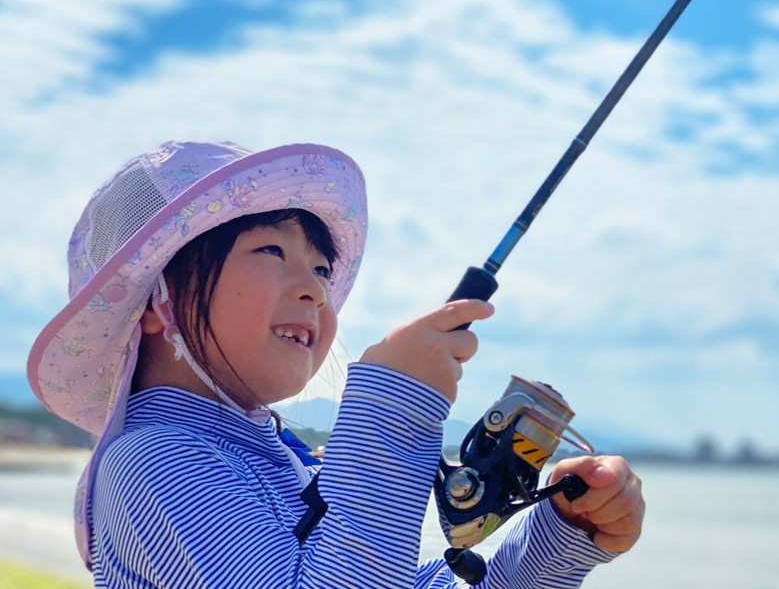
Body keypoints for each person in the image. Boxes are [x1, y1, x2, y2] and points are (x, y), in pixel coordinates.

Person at [27, 141, 644, 587]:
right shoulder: (154, 459)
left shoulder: (265, 455)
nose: (316, 289)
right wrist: (393, 410)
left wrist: (559, 538)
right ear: (155, 304)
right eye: (271, 249)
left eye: (322, 268)